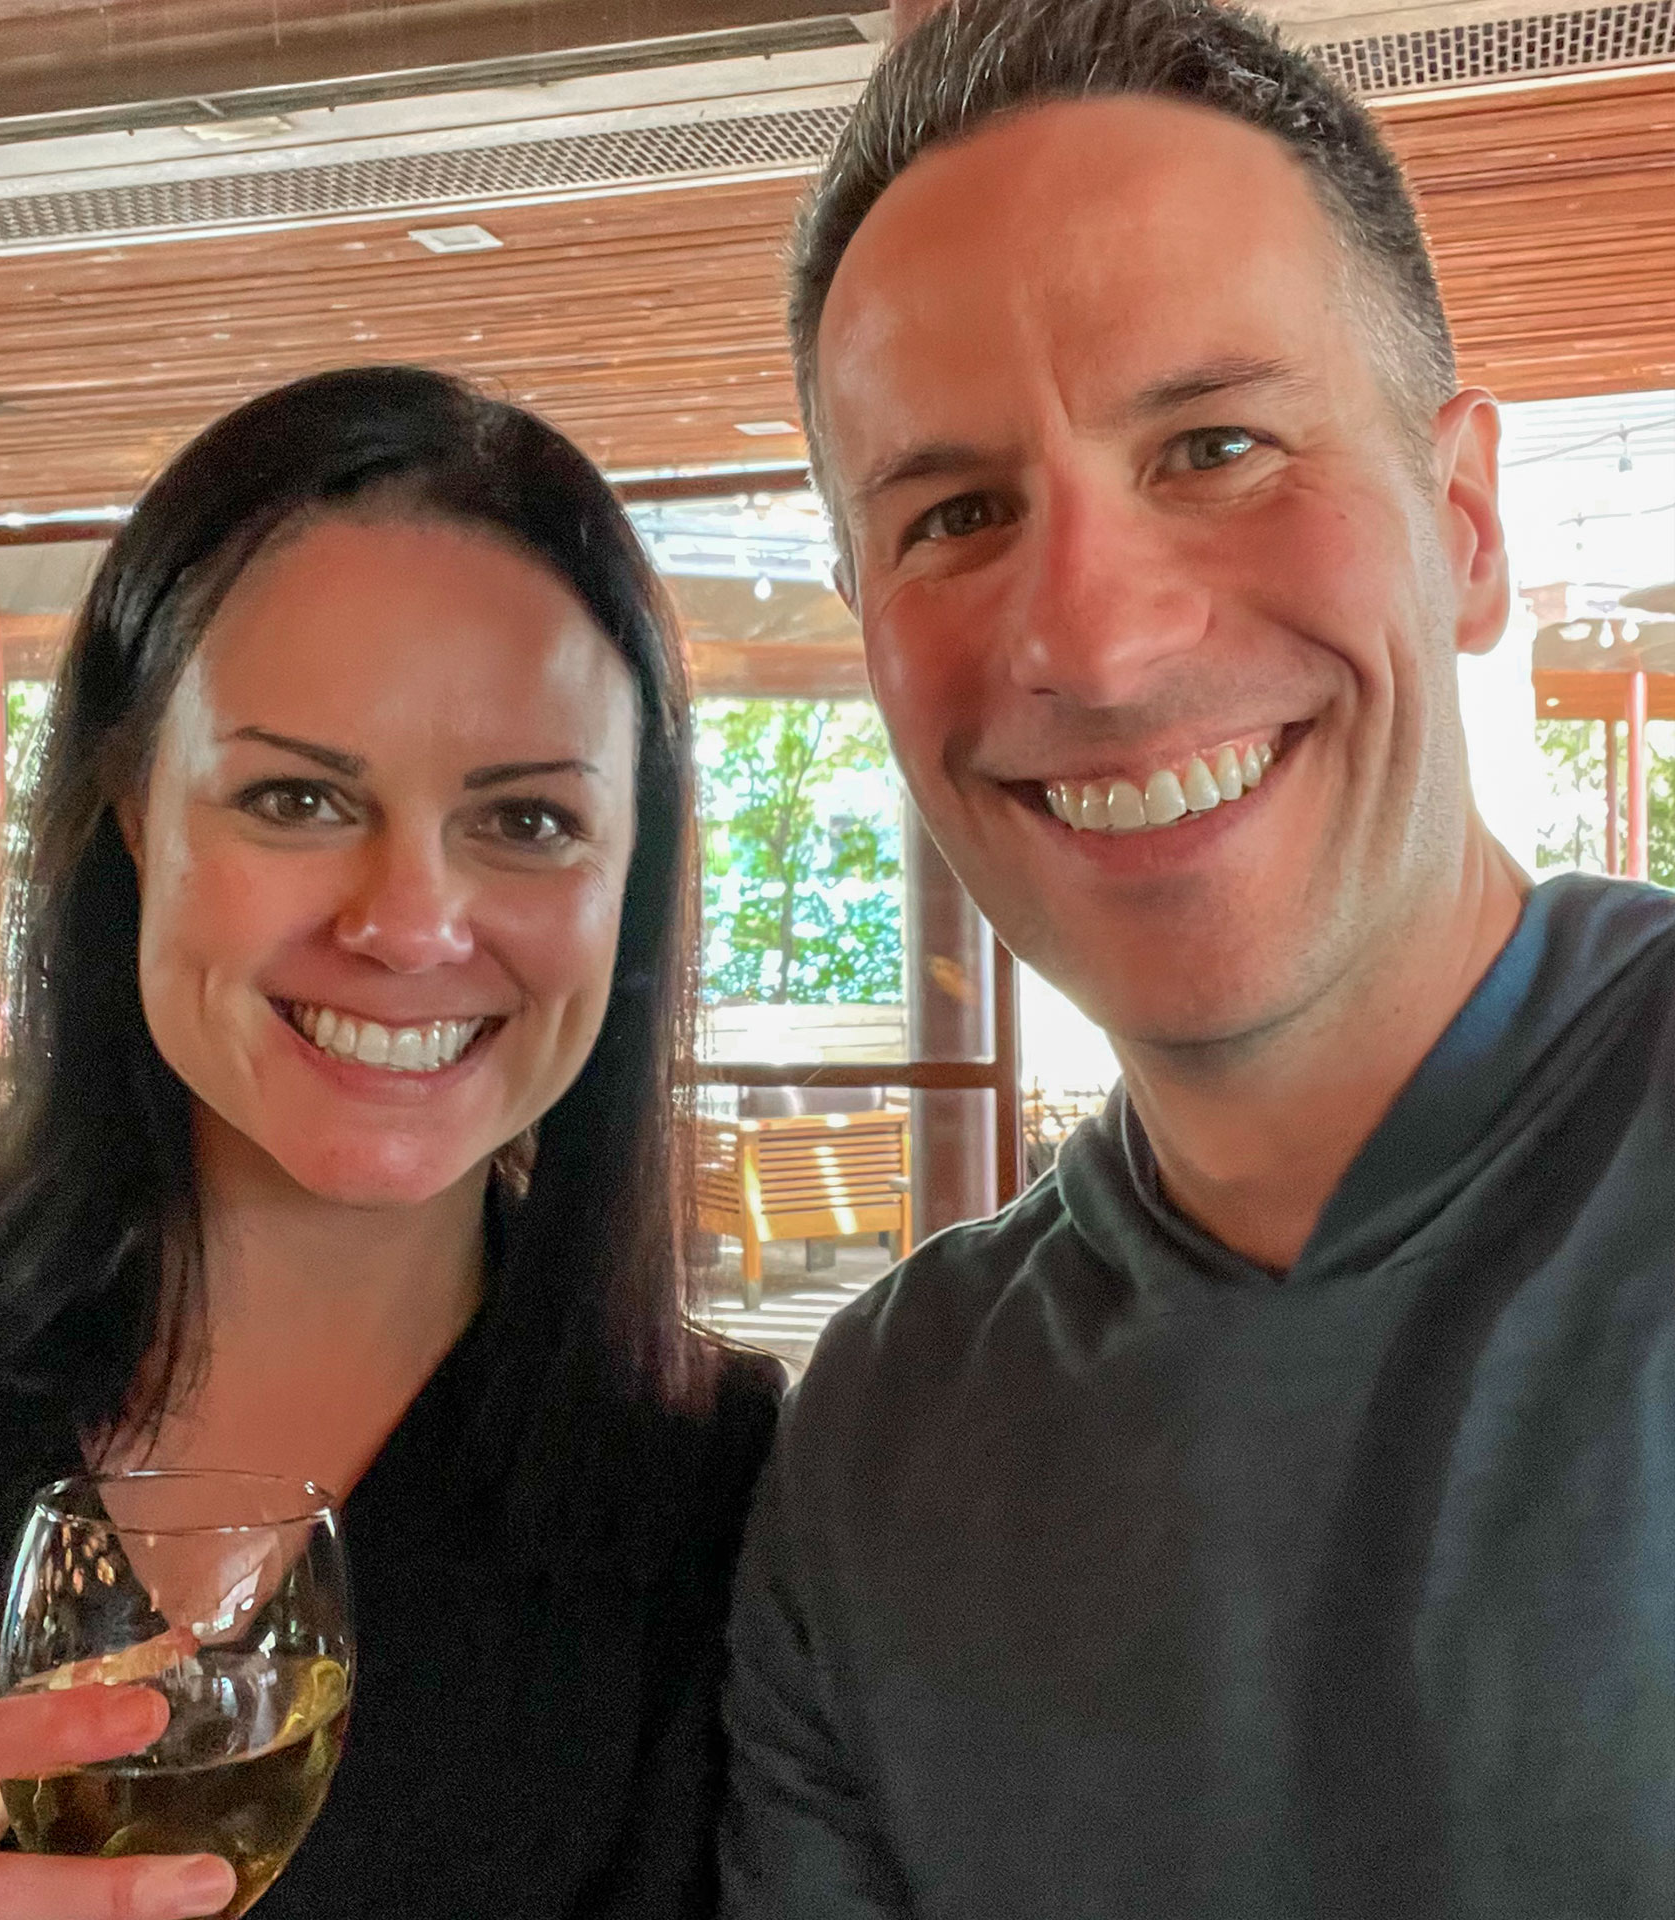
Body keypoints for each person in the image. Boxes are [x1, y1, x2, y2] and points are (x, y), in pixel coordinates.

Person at [721, 1, 1675, 1914]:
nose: (1095, 637)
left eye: (1218, 443)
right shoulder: (885, 1444)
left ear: (1465, 522)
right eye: (958, 513)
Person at [0, 365, 781, 1920]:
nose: (409, 925)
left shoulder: (710, 1486)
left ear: (630, 881)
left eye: (525, 822)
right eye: (297, 798)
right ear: (128, 811)